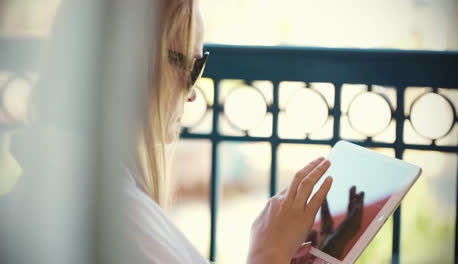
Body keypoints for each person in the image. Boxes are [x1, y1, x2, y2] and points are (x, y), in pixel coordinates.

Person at [122, 0, 334, 263]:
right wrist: (268, 253)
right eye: (191, 66)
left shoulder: (114, 191)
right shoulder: (118, 209)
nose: (192, 95)